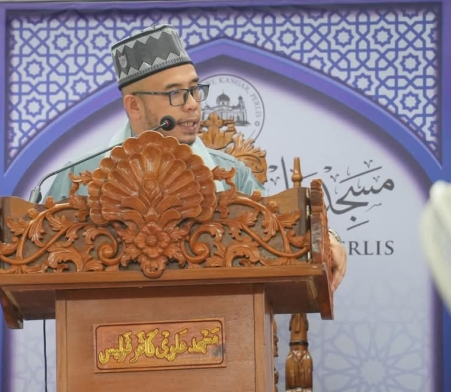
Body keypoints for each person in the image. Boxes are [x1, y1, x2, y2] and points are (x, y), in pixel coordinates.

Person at [45, 24, 348, 291]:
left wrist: (327, 238)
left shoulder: (231, 175)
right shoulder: (78, 178)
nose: (192, 105)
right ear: (134, 106)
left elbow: (282, 232)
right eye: (176, 94)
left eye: (194, 90)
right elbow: (40, 250)